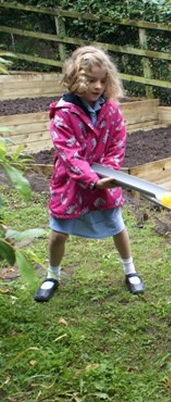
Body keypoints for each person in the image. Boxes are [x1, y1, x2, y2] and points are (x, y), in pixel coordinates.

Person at [34, 46, 144, 302]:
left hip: (105, 178)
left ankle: (130, 270)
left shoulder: (111, 108)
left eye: (103, 81)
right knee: (59, 231)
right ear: (77, 79)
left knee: (117, 225)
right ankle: (52, 275)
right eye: (91, 80)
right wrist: (92, 180)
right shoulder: (63, 114)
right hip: (71, 182)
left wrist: (109, 170)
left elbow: (118, 141)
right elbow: (69, 154)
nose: (98, 86)